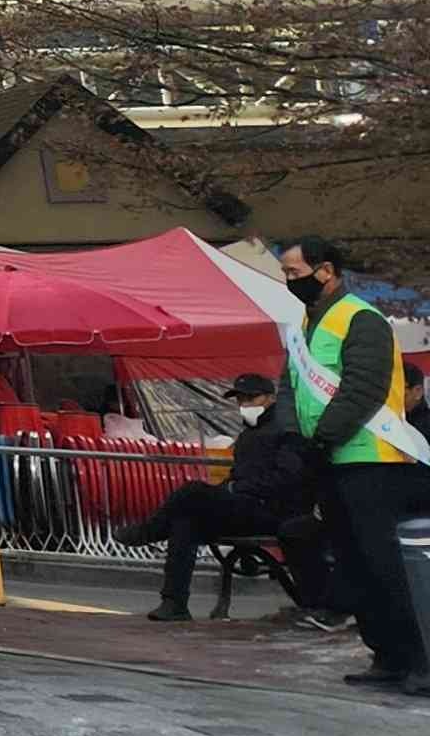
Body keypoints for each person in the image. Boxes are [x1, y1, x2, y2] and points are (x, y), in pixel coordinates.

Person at [277, 238, 430, 695]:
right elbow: (289, 388)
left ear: (325, 270)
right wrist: (293, 438)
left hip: (369, 458)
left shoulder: (362, 319)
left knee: (382, 564)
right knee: (353, 563)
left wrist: (321, 439)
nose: (288, 281)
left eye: (293, 272)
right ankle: (386, 654)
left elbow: (362, 389)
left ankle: (418, 660)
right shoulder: (304, 325)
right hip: (328, 459)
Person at [121, 375, 331, 622]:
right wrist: (229, 489)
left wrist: (236, 488)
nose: (244, 404)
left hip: (274, 510)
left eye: (251, 398)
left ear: (271, 398)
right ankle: (174, 602)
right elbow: (238, 475)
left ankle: (150, 531)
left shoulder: (288, 431)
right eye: (240, 399)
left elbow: (287, 478)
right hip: (245, 507)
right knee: (185, 521)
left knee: (193, 491)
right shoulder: (248, 436)